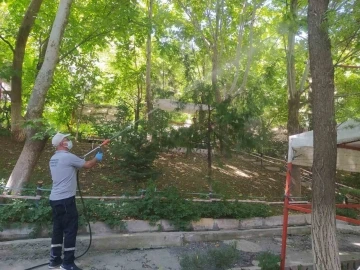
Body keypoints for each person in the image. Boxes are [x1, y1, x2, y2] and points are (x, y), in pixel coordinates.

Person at [48, 132, 103, 270]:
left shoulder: (53, 158)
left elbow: (73, 164)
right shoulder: (68, 157)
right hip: (66, 200)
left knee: (58, 229)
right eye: (66, 139)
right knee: (70, 230)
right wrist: (97, 158)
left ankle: (54, 260)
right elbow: (88, 165)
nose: (69, 141)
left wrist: (79, 160)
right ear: (61, 143)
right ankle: (67, 264)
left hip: (54, 199)